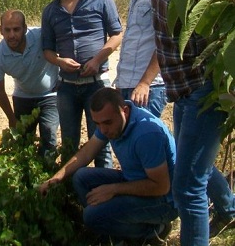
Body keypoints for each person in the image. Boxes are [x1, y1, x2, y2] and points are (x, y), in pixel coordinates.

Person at [100, 0, 235, 245]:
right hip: (185, 96)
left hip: (204, 93)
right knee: (188, 182)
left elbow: (216, 43)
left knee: (188, 187)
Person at [39, 88, 178, 245]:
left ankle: (153, 231)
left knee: (91, 216)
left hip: (164, 202)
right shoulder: (112, 122)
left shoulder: (146, 134)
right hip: (134, 180)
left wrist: (114, 189)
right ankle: (114, 230)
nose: (103, 129)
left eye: (107, 123)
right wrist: (56, 178)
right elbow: (86, 154)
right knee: (81, 177)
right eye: (97, 123)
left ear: (124, 111)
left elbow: (161, 187)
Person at [41, 0, 122, 167]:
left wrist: (97, 60)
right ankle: (73, 194)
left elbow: (117, 35)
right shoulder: (50, 11)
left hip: (96, 85)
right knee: (69, 143)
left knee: (101, 143)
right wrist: (60, 62)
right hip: (67, 87)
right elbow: (46, 51)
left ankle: (103, 193)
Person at [0, 9, 59, 156]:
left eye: (16, 29)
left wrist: (62, 79)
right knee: (23, 141)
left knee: (49, 134)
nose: (12, 35)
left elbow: (65, 48)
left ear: (25, 28)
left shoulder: (41, 36)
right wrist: (11, 118)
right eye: (7, 30)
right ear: (0, 30)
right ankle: (27, 173)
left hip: (50, 95)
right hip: (23, 97)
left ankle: (49, 173)